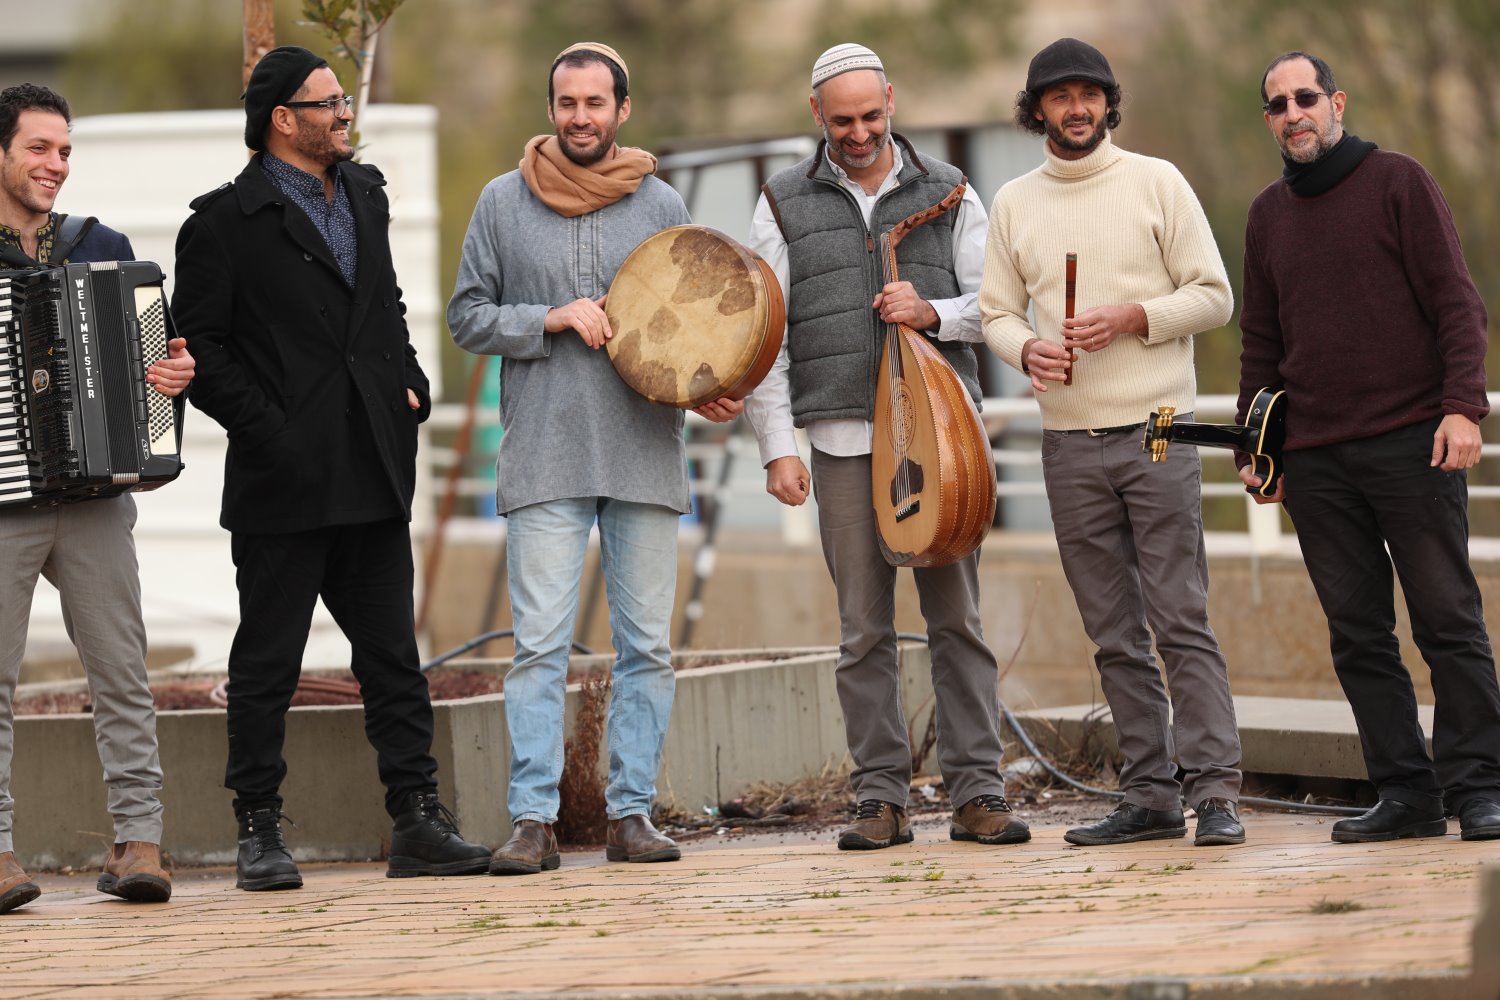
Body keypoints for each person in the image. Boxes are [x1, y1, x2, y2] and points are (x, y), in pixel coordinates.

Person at [171, 46, 491, 891]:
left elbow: (384, 304)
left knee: (393, 659)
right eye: (328, 103)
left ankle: (417, 820)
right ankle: (258, 830)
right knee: (267, 666)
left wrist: (409, 384)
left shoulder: (364, 193)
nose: (345, 113)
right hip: (282, 483)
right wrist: (271, 430)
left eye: (344, 100)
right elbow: (200, 348)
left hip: (372, 466)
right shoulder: (221, 224)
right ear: (283, 119)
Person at [448, 42, 741, 875]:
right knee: (539, 648)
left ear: (622, 110)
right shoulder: (502, 202)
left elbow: (689, 324)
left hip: (643, 452)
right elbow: (467, 315)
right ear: (551, 109)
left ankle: (631, 815)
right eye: (568, 103)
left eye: (595, 102)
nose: (581, 117)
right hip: (543, 455)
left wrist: (704, 387)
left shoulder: (662, 203)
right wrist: (547, 317)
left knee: (647, 647)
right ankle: (533, 822)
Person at [745, 43, 1028, 852]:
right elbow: (764, 336)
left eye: (872, 115)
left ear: (892, 101)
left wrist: (933, 312)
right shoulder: (780, 203)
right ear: (816, 115)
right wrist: (777, 447)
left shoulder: (951, 189)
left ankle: (978, 793)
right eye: (843, 120)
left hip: (941, 442)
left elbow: (998, 306)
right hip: (840, 443)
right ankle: (880, 800)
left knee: (957, 621)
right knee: (861, 632)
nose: (860, 132)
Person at [980, 38, 1245, 847]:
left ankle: (1216, 794)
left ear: (1107, 103)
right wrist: (1028, 349)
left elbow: (1215, 296)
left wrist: (1136, 317)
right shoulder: (1014, 202)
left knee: (1180, 618)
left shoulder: (1157, 180)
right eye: (1060, 97)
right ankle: (1151, 796)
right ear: (1037, 111)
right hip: (1067, 443)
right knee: (1113, 635)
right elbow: (995, 314)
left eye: (1089, 94)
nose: (1077, 108)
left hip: (1159, 433)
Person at [1238, 52, 1500, 843]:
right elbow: (1261, 343)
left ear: (1337, 102)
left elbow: (1457, 304)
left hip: (1413, 444)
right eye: (1278, 104)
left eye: (1305, 97)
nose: (1293, 113)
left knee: (1447, 620)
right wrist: (1258, 448)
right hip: (1315, 460)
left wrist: (1463, 409)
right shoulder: (1266, 215)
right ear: (1269, 120)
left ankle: (1480, 789)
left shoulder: (1399, 182)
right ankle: (1407, 795)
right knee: (1357, 635)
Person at [0, 83, 190, 912]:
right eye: (39, 148)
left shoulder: (100, 244)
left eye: (66, 150)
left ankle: (140, 841)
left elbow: (155, 366)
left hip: (95, 499)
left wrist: (172, 381)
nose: (57, 165)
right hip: (4, 502)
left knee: (121, 669)